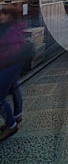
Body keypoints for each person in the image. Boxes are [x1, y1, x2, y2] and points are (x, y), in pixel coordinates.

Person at [0, 7, 25, 141]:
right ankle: (17, 115)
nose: (1, 16)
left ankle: (11, 124)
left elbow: (9, 48)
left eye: (5, 14)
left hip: (9, 64)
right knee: (14, 88)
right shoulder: (12, 27)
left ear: (11, 16)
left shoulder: (11, 30)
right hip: (12, 63)